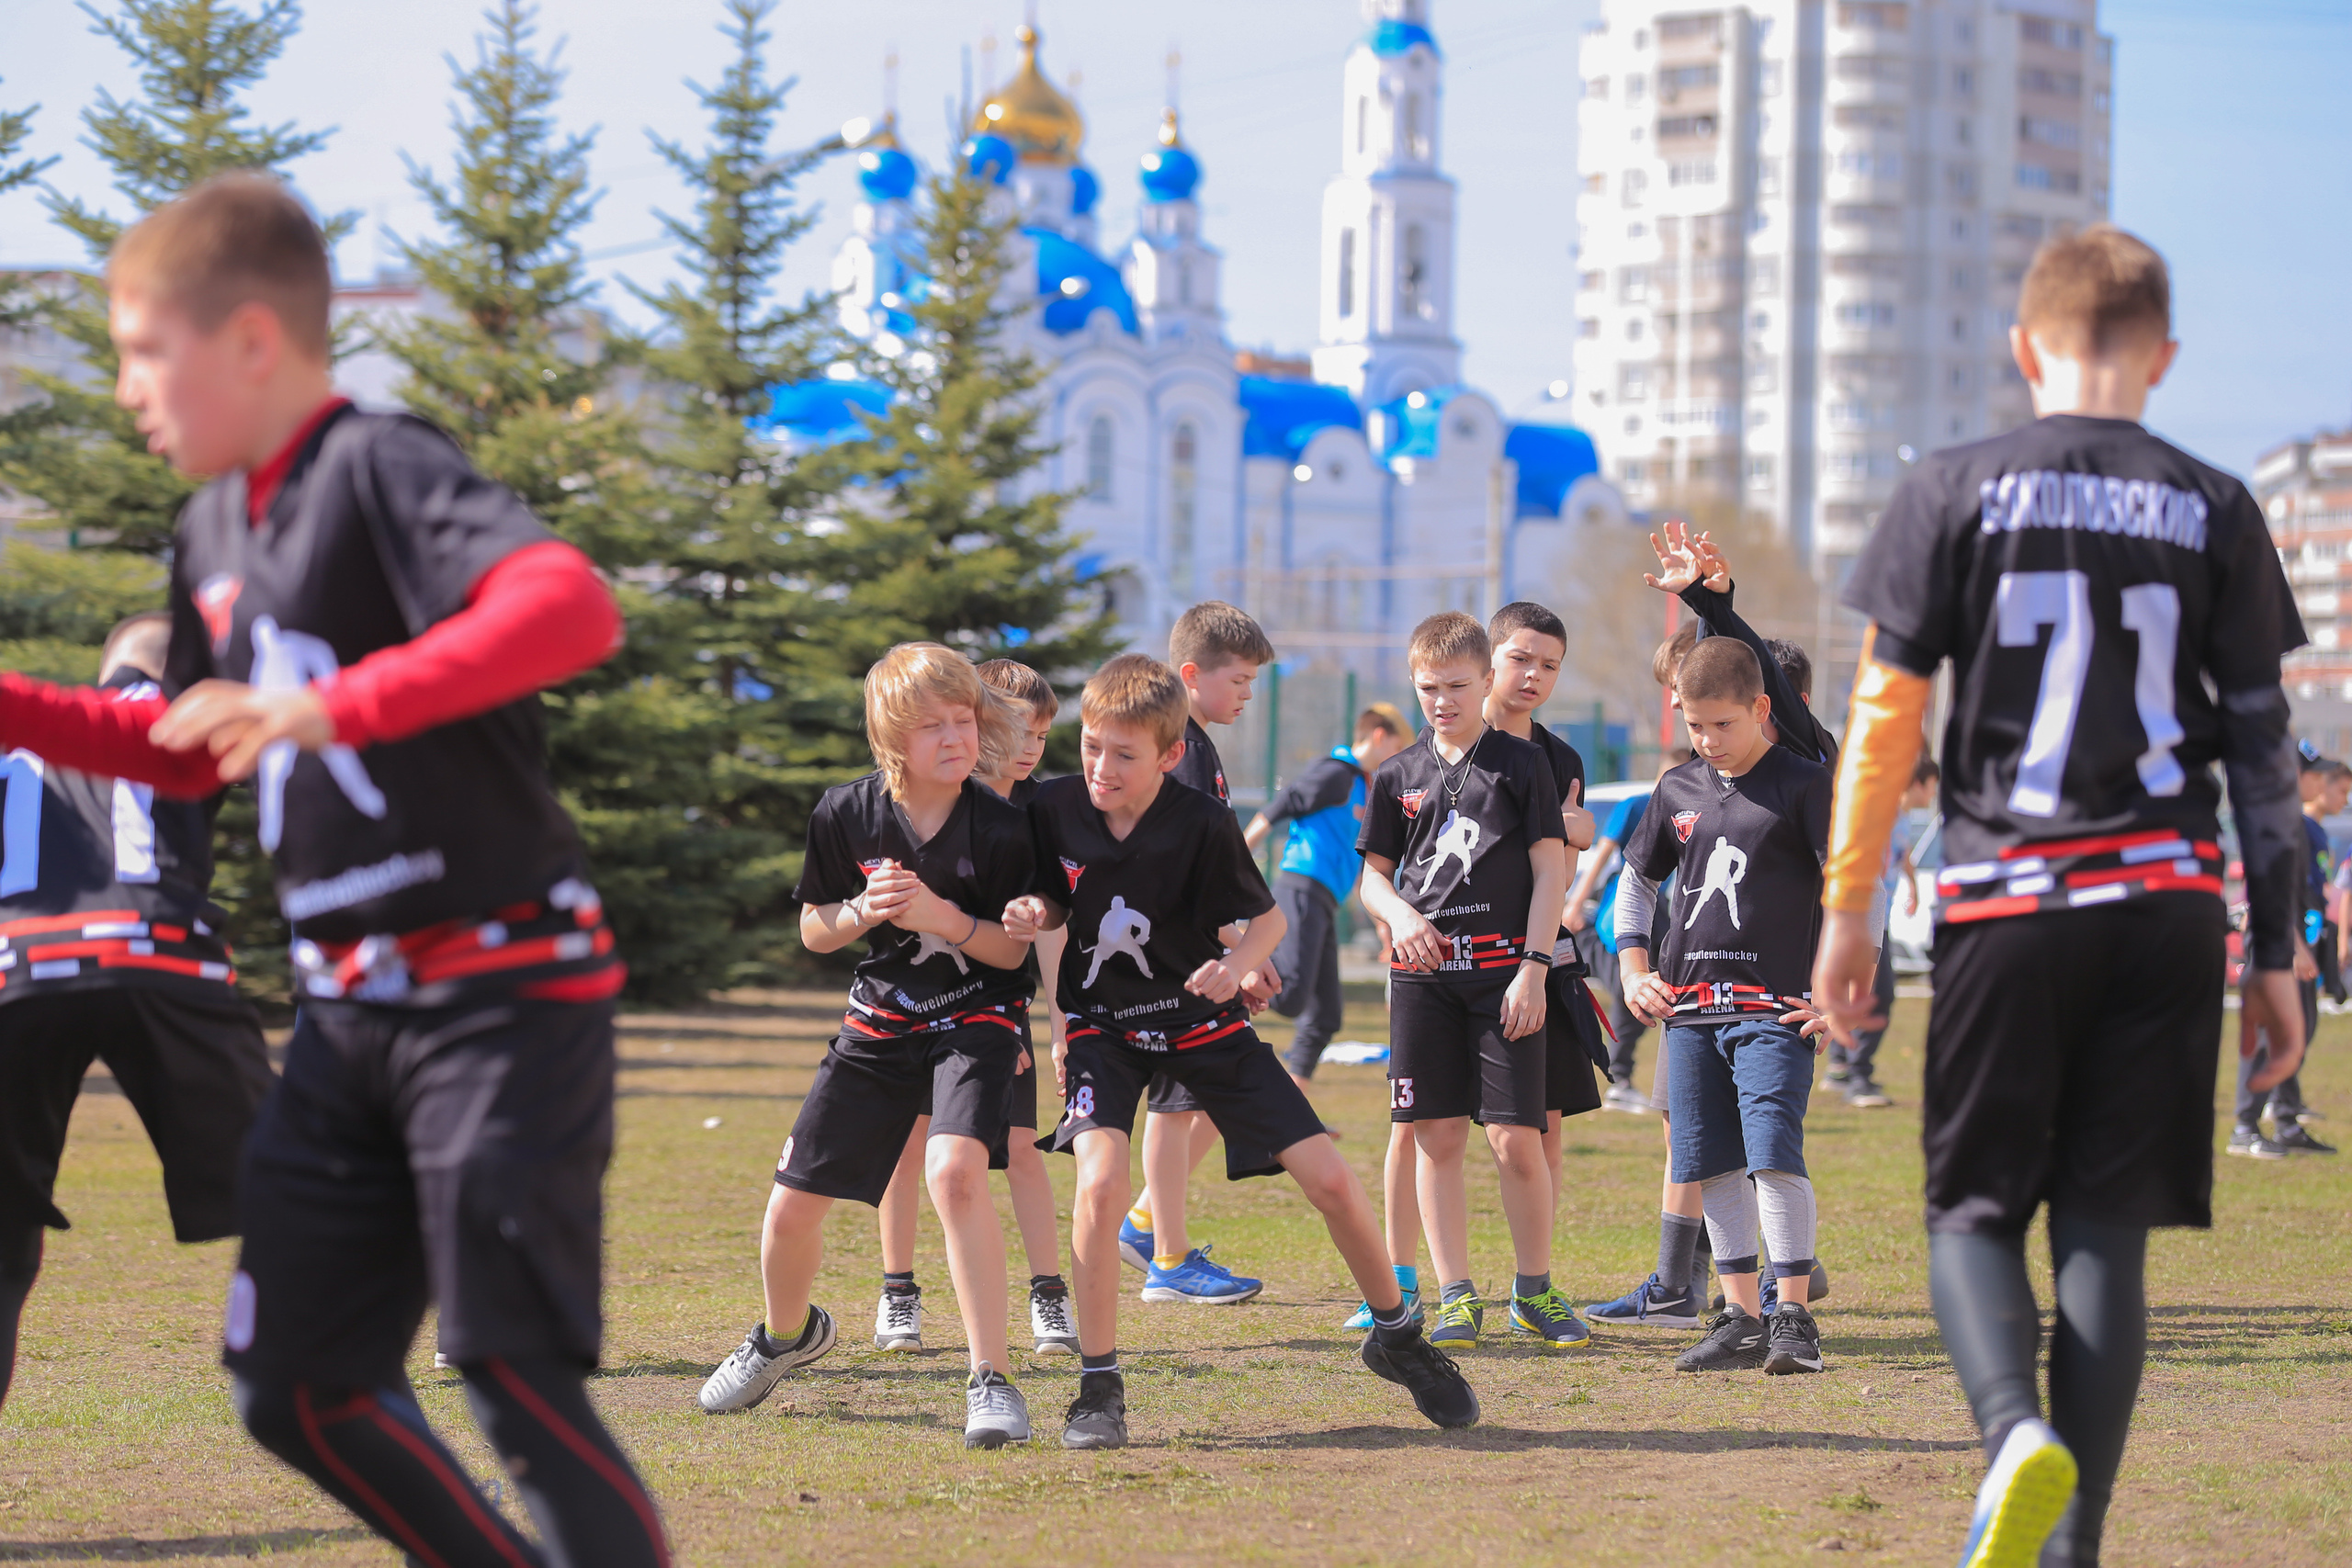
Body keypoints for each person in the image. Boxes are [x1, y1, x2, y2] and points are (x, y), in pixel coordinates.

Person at [0, 174, 668, 1563]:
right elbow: (179, 751)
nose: (129, 387)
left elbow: (569, 603)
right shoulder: (208, 534)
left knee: (509, 1370)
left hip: (502, 997)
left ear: (251, 339)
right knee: (292, 1384)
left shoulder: (379, 462)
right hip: (345, 1022)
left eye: (143, 348)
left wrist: (335, 704)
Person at [1813, 224, 2308, 1568]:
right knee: (2107, 1232)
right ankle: (2072, 1539)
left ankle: (2010, 1432)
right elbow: (2263, 753)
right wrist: (2281, 950)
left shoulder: (1951, 489)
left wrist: (1849, 906)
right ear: (2164, 358)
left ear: (2024, 346)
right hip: (2166, 905)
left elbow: (1881, 718)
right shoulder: (2218, 503)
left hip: (2007, 895)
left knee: (1972, 1212)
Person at [1007, 653, 1478, 1449]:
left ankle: (1398, 1334)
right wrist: (1033, 912)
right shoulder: (1052, 808)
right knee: (1100, 1182)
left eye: (1124, 753)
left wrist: (1234, 965)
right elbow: (1053, 900)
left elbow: (1267, 923)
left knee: (1329, 1177)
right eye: (1090, 745)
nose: (1100, 766)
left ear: (1167, 754)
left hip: (1203, 1023)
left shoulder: (1200, 820)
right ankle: (1097, 1385)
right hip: (1104, 1031)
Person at [699, 644, 1043, 1448]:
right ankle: (787, 1336)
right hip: (878, 1024)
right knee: (789, 1209)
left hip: (977, 1019)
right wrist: (863, 910)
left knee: (955, 1171)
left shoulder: (1002, 825)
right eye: (932, 726)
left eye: (964, 719)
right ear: (892, 738)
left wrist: (943, 918)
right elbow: (815, 930)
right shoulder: (845, 812)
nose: (956, 738)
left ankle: (991, 1378)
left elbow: (1009, 953)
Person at [0, 614, 273, 1414]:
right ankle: (377, 1373)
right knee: (294, 1188)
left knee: (2, 1243)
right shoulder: (189, 714)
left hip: (16, 967)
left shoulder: (24, 735)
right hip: (159, 957)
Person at [1615, 637, 1846, 1378]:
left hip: (1775, 1012)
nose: (1709, 741)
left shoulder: (1805, 783)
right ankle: (1740, 1315)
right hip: (1689, 1014)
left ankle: (1794, 1318)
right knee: (1707, 1160)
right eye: (1695, 726)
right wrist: (1632, 967)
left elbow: (1850, 886)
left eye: (1724, 724)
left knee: (1773, 1154)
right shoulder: (1676, 789)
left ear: (1760, 708)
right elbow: (1637, 879)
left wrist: (1839, 991)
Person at [1356, 613, 1585, 1352]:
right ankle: (1456, 1295)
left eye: (1457, 685)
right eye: (1428, 687)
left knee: (1518, 1140)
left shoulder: (1524, 767)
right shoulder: (1396, 775)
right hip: (1423, 982)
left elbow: (1552, 870)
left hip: (1504, 982)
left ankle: (1534, 1290)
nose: (1442, 700)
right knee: (1436, 1137)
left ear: (1486, 682)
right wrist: (1399, 915)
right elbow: (1372, 881)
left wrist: (1533, 968)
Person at [867, 659, 1079, 1357]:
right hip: (915, 1008)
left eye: (1044, 734)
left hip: (995, 1010)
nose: (1029, 746)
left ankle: (1049, 1294)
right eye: (1018, 728)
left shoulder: (1039, 812)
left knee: (1021, 1146)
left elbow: (1046, 929)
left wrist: (1055, 1026)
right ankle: (898, 1292)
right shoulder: (929, 798)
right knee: (906, 1142)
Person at [1119, 601, 1276, 1304]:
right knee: (1179, 1102)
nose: (1247, 694)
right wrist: (1241, 946)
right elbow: (1181, 871)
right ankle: (1170, 1260)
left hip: (1202, 953)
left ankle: (1150, 1222)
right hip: (1179, 960)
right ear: (1191, 674)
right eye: (1239, 680)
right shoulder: (1180, 747)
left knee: (1210, 1092)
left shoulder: (1198, 746)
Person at [1243, 703, 1412, 1095]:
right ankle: (1234, 975)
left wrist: (1382, 923)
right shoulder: (1336, 774)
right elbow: (1280, 807)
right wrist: (1234, 860)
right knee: (1291, 995)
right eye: (1397, 747)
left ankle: (1287, 1108)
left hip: (1325, 900)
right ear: (1379, 736)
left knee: (1326, 1015)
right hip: (1300, 887)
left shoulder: (1365, 788)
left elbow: (1358, 868)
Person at [2228, 744, 2339, 1157]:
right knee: (2265, 1034)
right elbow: (2267, 890)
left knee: (2294, 1028)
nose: (2319, 779)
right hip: (2276, 938)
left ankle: (2285, 1119)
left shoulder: (2289, 819)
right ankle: (2243, 1128)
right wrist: (2294, 945)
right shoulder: (2273, 820)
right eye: (2312, 772)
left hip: (2288, 935)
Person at [1826, 754, 1939, 1109]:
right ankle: (1860, 1079)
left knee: (1861, 993)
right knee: (1880, 995)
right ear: (1920, 783)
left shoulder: (1903, 818)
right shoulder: (1882, 812)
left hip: (1880, 918)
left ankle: (1841, 1066)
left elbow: (1902, 856)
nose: (1934, 793)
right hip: (1862, 917)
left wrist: (1913, 886)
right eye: (1933, 785)